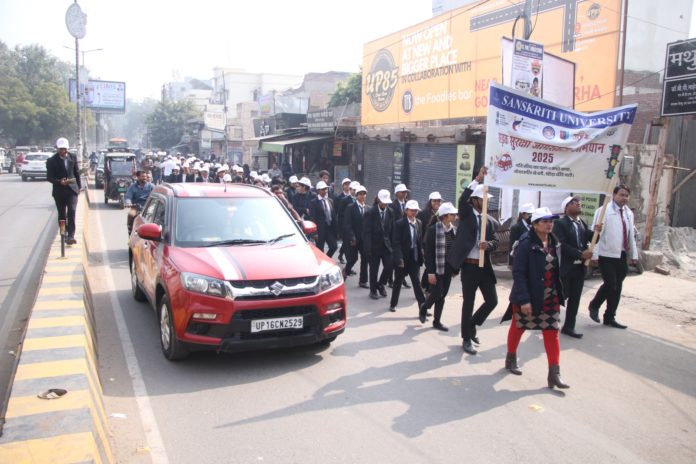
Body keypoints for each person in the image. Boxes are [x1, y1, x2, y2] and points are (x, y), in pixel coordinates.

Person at [506, 207, 569, 389]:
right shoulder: (525, 244)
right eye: (545, 221)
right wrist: (524, 299)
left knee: (552, 333)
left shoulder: (554, 243)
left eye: (551, 221)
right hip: (529, 296)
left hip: (550, 297)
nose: (550, 224)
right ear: (534, 225)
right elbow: (519, 273)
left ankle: (554, 374)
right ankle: (511, 357)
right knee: (518, 327)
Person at [449, 167, 499, 355]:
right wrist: (477, 179)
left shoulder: (488, 220)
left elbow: (494, 240)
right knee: (468, 302)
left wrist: (489, 245)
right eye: (484, 199)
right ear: (476, 200)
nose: (486, 202)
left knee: (492, 301)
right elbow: (462, 199)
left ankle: (471, 324)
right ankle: (466, 338)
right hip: (469, 267)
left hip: (484, 267)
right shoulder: (467, 214)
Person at [588, 185, 638, 329]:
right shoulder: (604, 211)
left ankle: (610, 317)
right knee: (610, 284)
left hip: (621, 254)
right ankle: (594, 305)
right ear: (614, 195)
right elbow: (595, 234)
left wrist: (633, 254)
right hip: (606, 254)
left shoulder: (628, 213)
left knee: (617, 288)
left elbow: (631, 236)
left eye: (626, 195)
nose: (624, 198)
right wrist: (595, 254)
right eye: (621, 195)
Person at [552, 196, 600, 338]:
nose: (578, 204)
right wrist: (580, 254)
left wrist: (597, 232)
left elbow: (591, 238)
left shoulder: (581, 223)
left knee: (575, 298)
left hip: (580, 269)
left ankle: (569, 326)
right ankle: (549, 322)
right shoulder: (560, 224)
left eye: (579, 203)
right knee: (560, 297)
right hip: (566, 268)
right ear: (566, 208)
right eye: (574, 203)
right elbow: (562, 244)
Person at [420, 202, 458, 331]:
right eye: (453, 214)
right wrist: (430, 272)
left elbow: (455, 251)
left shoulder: (453, 231)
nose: (455, 216)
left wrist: (455, 268)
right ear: (446, 216)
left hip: (448, 268)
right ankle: (425, 306)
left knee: (442, 295)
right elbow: (428, 253)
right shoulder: (433, 230)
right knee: (436, 292)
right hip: (436, 268)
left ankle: (437, 321)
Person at [389, 200, 426, 313]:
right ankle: (393, 304)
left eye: (416, 210)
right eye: (412, 210)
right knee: (398, 282)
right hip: (402, 258)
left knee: (416, 283)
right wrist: (399, 258)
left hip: (414, 257)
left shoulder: (419, 223)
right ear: (406, 211)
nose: (414, 212)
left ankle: (423, 307)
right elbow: (396, 243)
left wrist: (422, 254)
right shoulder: (399, 224)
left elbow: (419, 241)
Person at [46, 137, 82, 245]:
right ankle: (63, 233)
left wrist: (79, 187)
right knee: (62, 214)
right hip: (59, 191)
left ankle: (71, 236)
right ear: (57, 149)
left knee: (72, 211)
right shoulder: (51, 161)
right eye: (61, 149)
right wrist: (59, 182)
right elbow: (49, 177)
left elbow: (76, 173)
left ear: (67, 149)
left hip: (72, 190)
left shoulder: (73, 157)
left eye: (65, 149)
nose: (63, 151)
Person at [363, 189, 394, 300]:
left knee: (390, 266)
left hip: (386, 246)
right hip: (374, 246)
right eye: (383, 201)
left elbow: (392, 230)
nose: (385, 204)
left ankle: (381, 284)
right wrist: (368, 248)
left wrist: (393, 245)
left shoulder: (390, 212)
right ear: (378, 200)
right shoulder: (370, 213)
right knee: (374, 269)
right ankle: (373, 290)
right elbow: (366, 232)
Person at [343, 185, 369, 287]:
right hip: (354, 238)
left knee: (365, 259)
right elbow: (347, 224)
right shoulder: (351, 207)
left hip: (364, 239)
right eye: (360, 194)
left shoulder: (368, 208)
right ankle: (346, 271)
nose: (362, 196)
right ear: (357, 195)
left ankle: (363, 280)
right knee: (353, 258)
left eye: (364, 194)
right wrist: (352, 237)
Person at [310, 181, 338, 257]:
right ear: (318, 190)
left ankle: (327, 258)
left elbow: (333, 215)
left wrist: (336, 229)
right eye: (323, 189)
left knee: (334, 246)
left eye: (326, 189)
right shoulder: (314, 202)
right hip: (319, 230)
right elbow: (312, 218)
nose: (325, 191)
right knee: (320, 249)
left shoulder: (330, 201)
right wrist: (314, 233)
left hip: (329, 229)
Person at [125, 170, 154, 235]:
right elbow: (128, 197)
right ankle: (130, 233)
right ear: (137, 177)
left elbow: (156, 195)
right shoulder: (132, 187)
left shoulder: (151, 186)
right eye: (143, 176)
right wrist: (128, 202)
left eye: (145, 176)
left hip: (148, 208)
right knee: (130, 215)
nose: (145, 178)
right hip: (135, 207)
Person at [335, 178, 353, 264]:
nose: (347, 186)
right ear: (343, 186)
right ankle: (349, 263)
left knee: (347, 242)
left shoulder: (354, 196)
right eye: (346, 184)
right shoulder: (339, 198)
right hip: (343, 223)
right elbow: (337, 211)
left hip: (352, 224)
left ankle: (340, 254)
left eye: (349, 184)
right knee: (346, 242)